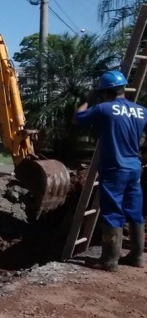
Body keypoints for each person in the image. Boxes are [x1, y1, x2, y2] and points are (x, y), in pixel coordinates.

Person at [72, 70, 147, 272]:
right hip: (134, 169)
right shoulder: (141, 110)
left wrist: (87, 99)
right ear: (123, 89)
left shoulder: (103, 108)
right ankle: (137, 256)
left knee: (112, 212)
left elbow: (77, 118)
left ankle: (110, 260)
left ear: (104, 92)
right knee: (135, 211)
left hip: (115, 168)